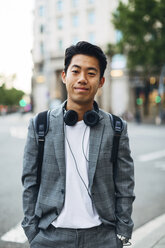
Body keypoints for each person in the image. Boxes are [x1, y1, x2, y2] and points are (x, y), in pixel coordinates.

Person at [22, 41, 135, 248]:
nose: (82, 79)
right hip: (49, 236)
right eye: (76, 71)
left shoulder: (116, 128)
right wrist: (32, 231)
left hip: (102, 237)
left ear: (101, 82)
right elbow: (30, 182)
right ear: (64, 76)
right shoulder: (40, 124)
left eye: (91, 73)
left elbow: (125, 184)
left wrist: (122, 233)